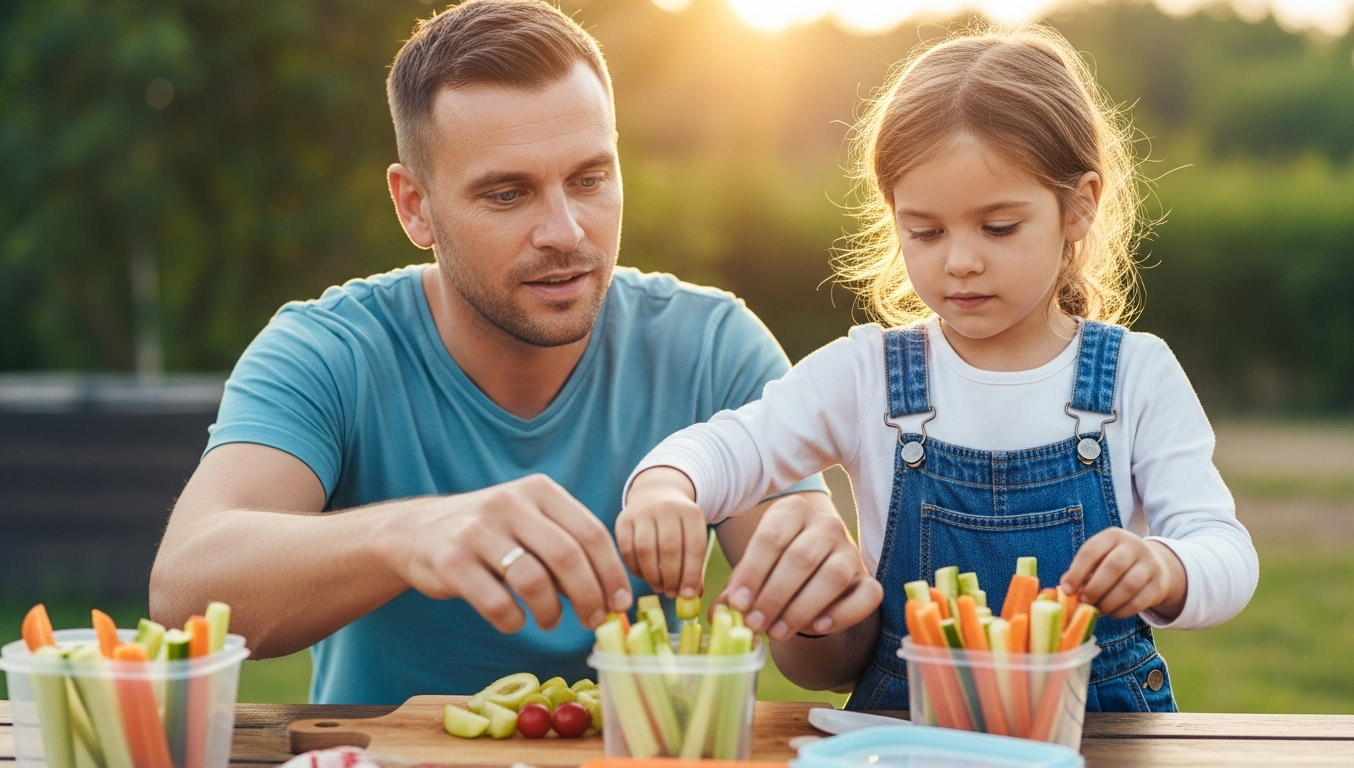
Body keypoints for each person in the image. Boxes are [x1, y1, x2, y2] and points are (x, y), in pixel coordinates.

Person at [149, 0, 880, 705]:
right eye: (507, 194)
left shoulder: (712, 347)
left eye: (590, 179)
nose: (566, 231)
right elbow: (183, 594)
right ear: (414, 207)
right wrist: (408, 534)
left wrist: (822, 600)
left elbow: (829, 665)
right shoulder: (328, 350)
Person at [617, 24, 1258, 710]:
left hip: (1094, 738)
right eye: (925, 231)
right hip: (904, 737)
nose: (959, 260)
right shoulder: (868, 375)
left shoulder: (1136, 375)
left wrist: (1167, 568)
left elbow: (1225, 550)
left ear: (1079, 205)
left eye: (999, 227)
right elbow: (733, 445)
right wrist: (665, 486)